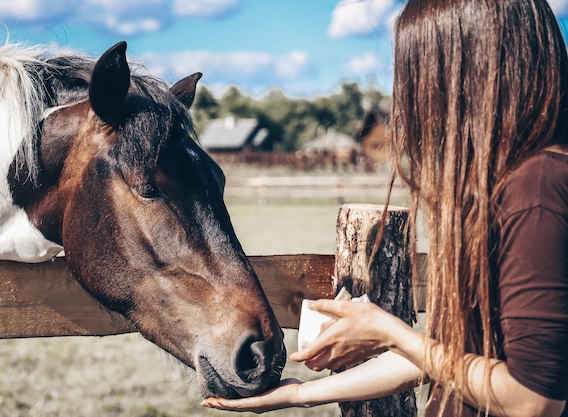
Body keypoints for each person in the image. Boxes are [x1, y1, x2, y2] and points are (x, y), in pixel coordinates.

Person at [201, 0, 568, 416]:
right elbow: (445, 359)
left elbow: (533, 398)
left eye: (417, 72)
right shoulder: (509, 185)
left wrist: (391, 332)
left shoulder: (537, 189)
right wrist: (299, 395)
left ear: (465, 76)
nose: (409, 99)